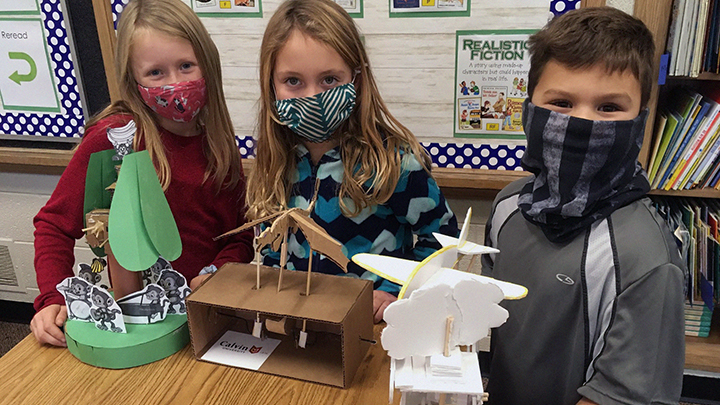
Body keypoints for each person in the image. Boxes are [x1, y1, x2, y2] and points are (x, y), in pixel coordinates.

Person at [481, 7, 686, 405]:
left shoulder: (644, 256)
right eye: (560, 102)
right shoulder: (508, 205)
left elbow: (622, 395)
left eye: (609, 108)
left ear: (638, 121)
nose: (583, 122)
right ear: (528, 110)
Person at [30, 0, 254, 347]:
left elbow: (237, 238)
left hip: (206, 320)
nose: (175, 83)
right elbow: (53, 225)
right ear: (133, 80)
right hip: (135, 326)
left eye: (186, 66)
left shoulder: (220, 147)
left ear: (207, 66)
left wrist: (217, 272)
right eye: (156, 73)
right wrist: (52, 299)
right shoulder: (113, 138)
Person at [247, 0, 458, 323]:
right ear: (270, 84)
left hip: (369, 329)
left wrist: (394, 290)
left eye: (330, 79)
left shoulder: (394, 161)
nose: (312, 96)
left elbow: (442, 241)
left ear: (356, 80)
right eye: (293, 81)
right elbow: (271, 246)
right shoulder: (274, 162)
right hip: (292, 324)